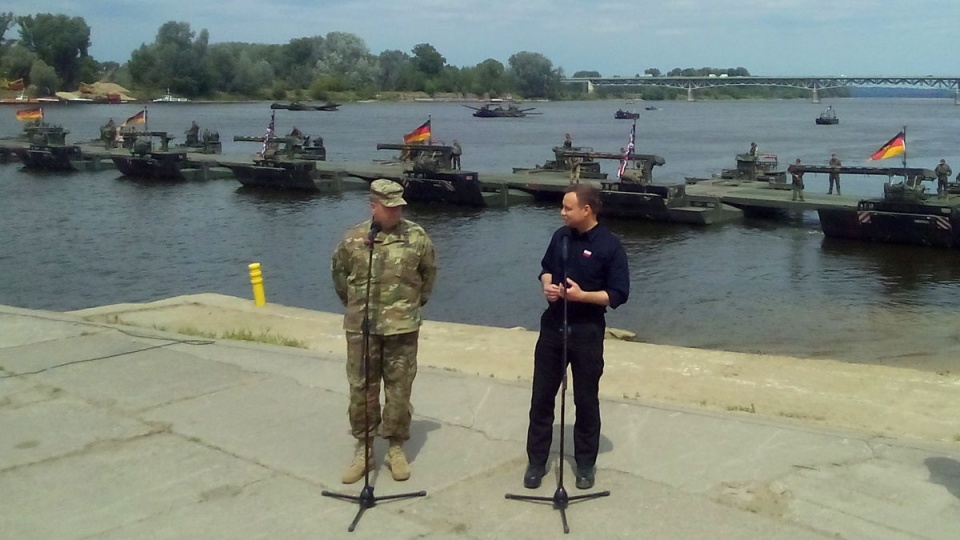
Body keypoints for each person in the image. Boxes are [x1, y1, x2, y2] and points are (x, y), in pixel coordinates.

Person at [523, 184, 630, 491]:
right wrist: (548, 286)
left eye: (568, 208)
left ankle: (585, 464)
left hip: (587, 332)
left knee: (585, 400)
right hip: (553, 327)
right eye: (562, 207)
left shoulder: (610, 246)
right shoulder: (561, 237)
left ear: (587, 210)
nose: (562, 212)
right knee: (542, 397)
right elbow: (545, 269)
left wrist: (582, 296)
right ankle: (536, 461)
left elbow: (618, 295)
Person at [331, 179, 437, 485]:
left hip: (402, 328)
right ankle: (364, 450)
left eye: (399, 206)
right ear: (374, 206)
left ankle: (395, 447)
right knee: (361, 390)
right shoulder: (353, 239)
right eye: (389, 207)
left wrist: (410, 308)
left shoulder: (416, 237)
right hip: (362, 328)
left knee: (399, 390)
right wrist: (355, 307)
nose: (396, 212)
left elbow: (428, 275)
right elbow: (339, 276)